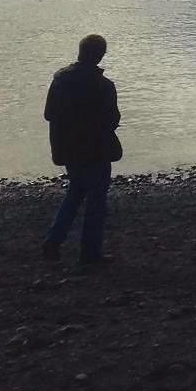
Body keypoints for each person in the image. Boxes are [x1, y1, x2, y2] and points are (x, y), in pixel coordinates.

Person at [42, 34, 122, 267]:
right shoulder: (104, 86)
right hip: (97, 150)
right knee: (96, 202)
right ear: (100, 55)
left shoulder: (60, 79)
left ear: (80, 51)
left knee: (75, 193)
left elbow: (49, 114)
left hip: (68, 148)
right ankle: (90, 253)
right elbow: (112, 120)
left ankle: (53, 242)